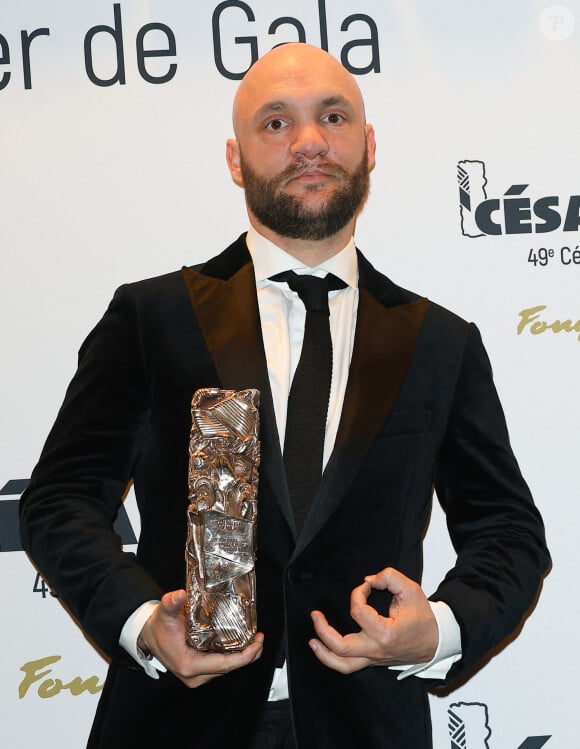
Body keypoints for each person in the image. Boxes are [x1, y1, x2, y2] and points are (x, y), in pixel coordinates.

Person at [20, 43, 550, 748]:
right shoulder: (151, 318)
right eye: (275, 123)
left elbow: (508, 532)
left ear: (368, 144)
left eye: (332, 117)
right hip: (176, 723)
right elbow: (59, 501)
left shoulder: (439, 342)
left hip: (368, 725)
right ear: (236, 159)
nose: (308, 142)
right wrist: (144, 621)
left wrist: (440, 627)